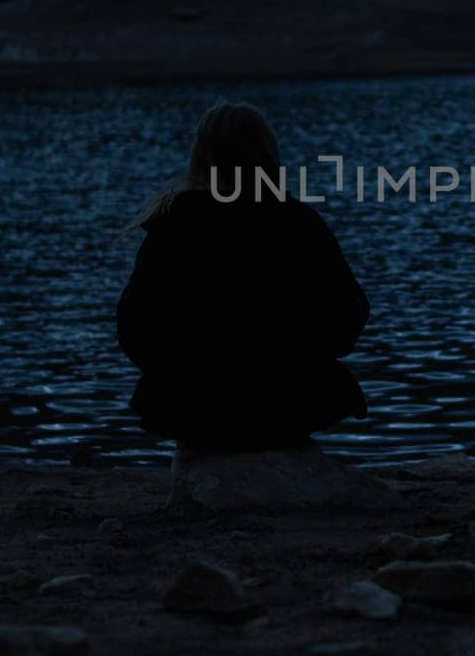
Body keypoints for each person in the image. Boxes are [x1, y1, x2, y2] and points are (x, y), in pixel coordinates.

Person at [115, 101, 370, 451]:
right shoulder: (298, 222)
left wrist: (174, 368)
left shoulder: (174, 224)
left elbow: (133, 325)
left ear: (202, 155)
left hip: (190, 406)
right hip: (293, 403)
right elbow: (350, 313)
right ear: (267, 152)